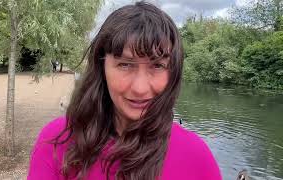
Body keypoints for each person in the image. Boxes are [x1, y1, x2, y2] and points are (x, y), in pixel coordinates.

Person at [28, 2, 222, 180]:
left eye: (157, 66)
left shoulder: (197, 158)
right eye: (125, 65)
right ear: (101, 67)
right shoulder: (57, 141)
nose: (140, 88)